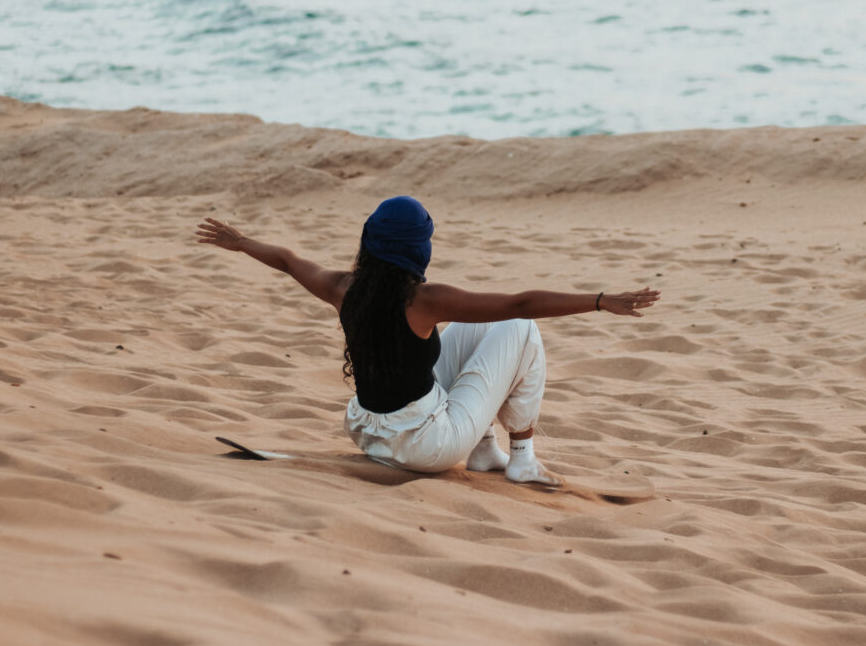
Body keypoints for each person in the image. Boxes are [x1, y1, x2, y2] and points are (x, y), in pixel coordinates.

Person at [196, 195, 660, 486]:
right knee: (520, 329)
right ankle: (522, 459)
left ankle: (484, 453)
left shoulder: (343, 288)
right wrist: (600, 301)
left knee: (476, 329)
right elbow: (521, 303)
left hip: (367, 432)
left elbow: (288, 259)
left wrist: (241, 242)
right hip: (426, 448)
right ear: (418, 248)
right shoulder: (425, 300)